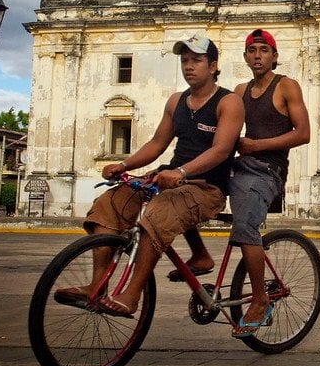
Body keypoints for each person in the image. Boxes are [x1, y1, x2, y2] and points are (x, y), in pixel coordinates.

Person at [54, 33, 244, 316]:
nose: (189, 66)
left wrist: (181, 172)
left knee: (157, 214)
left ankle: (131, 295)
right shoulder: (176, 101)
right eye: (185, 60)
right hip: (169, 178)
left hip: (207, 186)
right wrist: (125, 165)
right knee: (110, 203)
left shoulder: (228, 102)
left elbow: (220, 150)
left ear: (214, 65)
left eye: (197, 60)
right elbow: (157, 143)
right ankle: (97, 285)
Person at [229, 28, 310, 337]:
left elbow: (303, 133)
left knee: (246, 224)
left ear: (275, 56)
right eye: (252, 50)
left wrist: (256, 146)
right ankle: (199, 256)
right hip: (240, 164)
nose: (258, 55)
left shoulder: (286, 86)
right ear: (246, 56)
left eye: (264, 50)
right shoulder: (239, 91)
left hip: (267, 169)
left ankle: (261, 299)